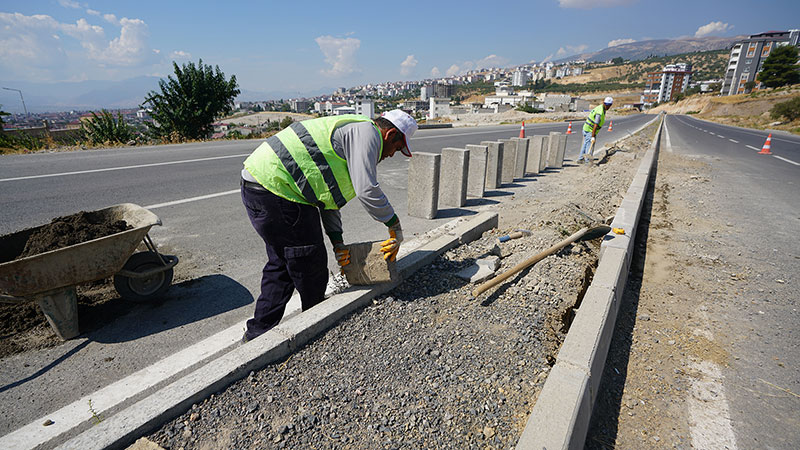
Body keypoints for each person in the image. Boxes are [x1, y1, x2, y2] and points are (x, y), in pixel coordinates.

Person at [239, 110, 417, 341]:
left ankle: (257, 334)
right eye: (397, 147)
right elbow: (367, 189)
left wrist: (338, 243)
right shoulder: (368, 134)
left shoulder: (354, 132)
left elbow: (326, 199)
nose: (393, 155)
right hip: (278, 190)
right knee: (310, 262)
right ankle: (315, 326)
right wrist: (395, 228)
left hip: (262, 185)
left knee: (282, 262)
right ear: (390, 134)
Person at [577, 96, 613, 163]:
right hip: (590, 130)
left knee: (585, 144)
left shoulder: (601, 108)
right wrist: (593, 136)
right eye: (607, 105)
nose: (608, 107)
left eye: (609, 106)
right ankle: (588, 161)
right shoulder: (599, 112)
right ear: (604, 103)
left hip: (586, 128)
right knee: (589, 146)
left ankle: (580, 158)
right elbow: (595, 125)